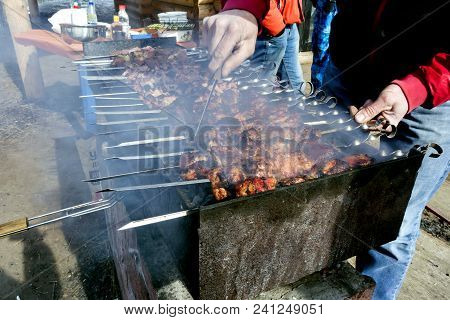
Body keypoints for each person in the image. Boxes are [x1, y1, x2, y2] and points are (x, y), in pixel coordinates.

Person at [203, 0, 449, 299]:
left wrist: (418, 86)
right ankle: (323, 280)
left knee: (391, 219)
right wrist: (245, 7)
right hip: (349, 67)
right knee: (319, 193)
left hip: (431, 90)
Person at [204, 1, 305, 89]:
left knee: (295, 82)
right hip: (269, 27)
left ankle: (297, 109)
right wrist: (245, 6)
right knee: (260, 87)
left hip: (289, 23)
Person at [310, 0, 337, 89]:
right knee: (317, 52)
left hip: (330, 11)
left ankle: (320, 93)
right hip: (321, 8)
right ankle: (316, 90)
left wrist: (331, 2)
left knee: (322, 54)